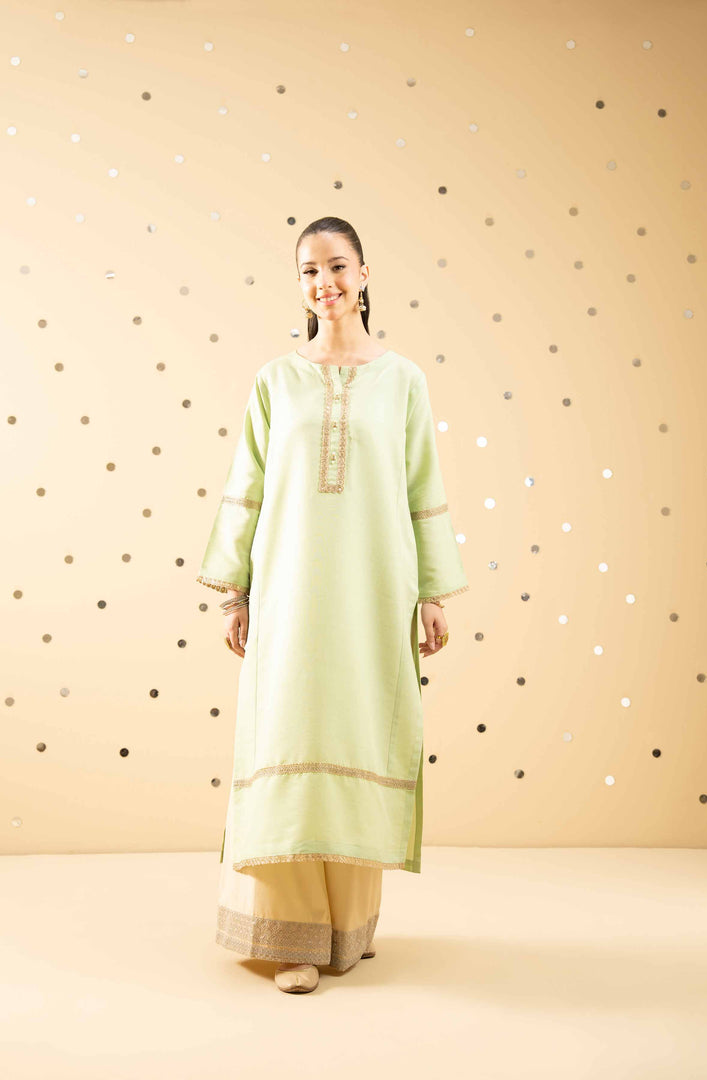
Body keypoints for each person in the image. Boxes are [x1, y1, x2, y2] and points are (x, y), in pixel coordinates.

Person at [197, 216, 470, 993]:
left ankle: (348, 928)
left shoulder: (402, 381)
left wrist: (432, 594)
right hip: (288, 593)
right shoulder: (275, 381)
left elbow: (422, 488)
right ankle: (291, 938)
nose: (325, 283)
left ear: (365, 274)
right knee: (289, 733)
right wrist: (235, 592)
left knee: (358, 728)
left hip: (373, 591)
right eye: (310, 271)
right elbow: (248, 487)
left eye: (338, 266)